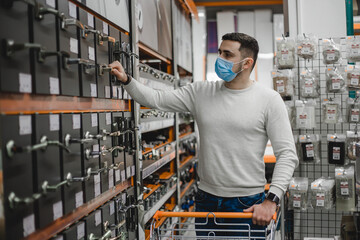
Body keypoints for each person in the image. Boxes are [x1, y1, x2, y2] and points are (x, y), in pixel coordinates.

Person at [109, 32, 298, 237]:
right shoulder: (201, 92)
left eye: (227, 54)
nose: (220, 59)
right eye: (219, 52)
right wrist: (127, 80)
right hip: (207, 199)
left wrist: (271, 201)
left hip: (246, 203)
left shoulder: (269, 100)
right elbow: (157, 99)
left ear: (247, 63)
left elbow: (287, 155)